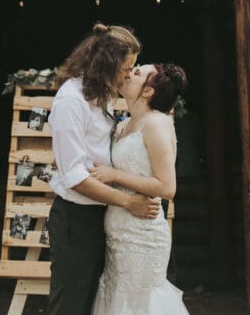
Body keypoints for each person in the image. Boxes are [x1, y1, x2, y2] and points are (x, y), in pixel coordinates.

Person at [48, 24, 161, 315]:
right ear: (106, 65)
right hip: (76, 220)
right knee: (71, 305)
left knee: (95, 303)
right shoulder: (71, 100)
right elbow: (74, 176)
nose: (128, 75)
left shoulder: (103, 97)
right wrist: (128, 202)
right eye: (126, 68)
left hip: (103, 214)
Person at [89, 62, 189, 315]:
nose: (127, 74)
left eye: (136, 73)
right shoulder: (124, 125)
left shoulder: (157, 123)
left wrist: (113, 174)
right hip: (117, 231)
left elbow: (167, 186)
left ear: (148, 91)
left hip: (142, 234)